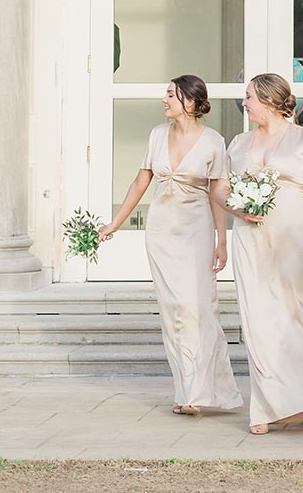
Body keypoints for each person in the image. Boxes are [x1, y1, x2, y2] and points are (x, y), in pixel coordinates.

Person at [100, 75, 241, 415]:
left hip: (196, 231)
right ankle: (186, 391)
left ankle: (209, 389)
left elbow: (217, 194)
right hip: (161, 231)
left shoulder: (213, 142)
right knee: (173, 310)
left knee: (198, 307)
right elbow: (140, 181)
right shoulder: (157, 135)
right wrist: (115, 223)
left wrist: (223, 241)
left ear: (191, 102)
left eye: (170, 95)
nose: (164, 100)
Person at [227, 72, 303, 435]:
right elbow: (221, 191)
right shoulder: (239, 143)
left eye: (249, 98)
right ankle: (267, 407)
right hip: (249, 237)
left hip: (293, 233)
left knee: (296, 315)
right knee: (257, 317)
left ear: (270, 101)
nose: (244, 103)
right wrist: (238, 210)